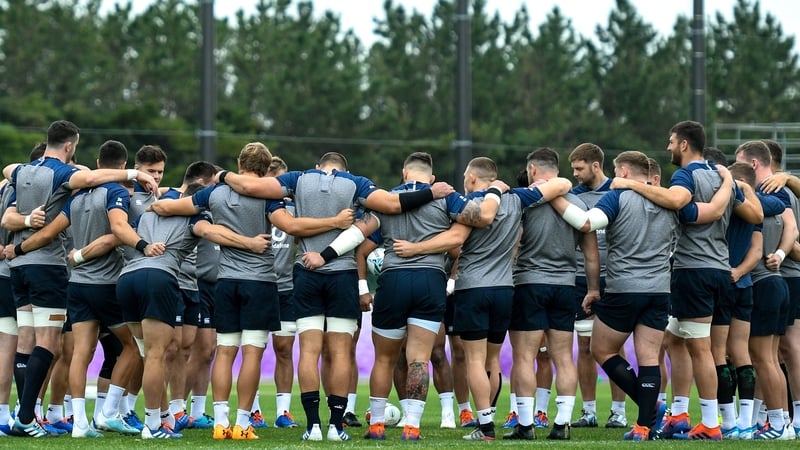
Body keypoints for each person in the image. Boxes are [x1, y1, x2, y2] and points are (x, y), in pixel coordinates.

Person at [217, 151, 455, 441]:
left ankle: (313, 427)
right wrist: (432, 191)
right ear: (345, 169)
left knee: (309, 352)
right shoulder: (356, 183)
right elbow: (393, 204)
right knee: (343, 352)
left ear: (318, 167)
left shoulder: (298, 179)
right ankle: (337, 427)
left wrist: (222, 176)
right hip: (342, 274)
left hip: (305, 271)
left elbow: (250, 187)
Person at [150, 144, 355, 440]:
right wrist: (334, 222)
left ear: (239, 162)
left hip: (225, 282)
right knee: (252, 355)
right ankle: (243, 423)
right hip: (259, 282)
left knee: (224, 352)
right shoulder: (268, 196)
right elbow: (294, 226)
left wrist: (156, 200)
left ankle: (221, 423)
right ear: (266, 169)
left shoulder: (214, 194)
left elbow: (167, 207)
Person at [0, 120, 157, 438]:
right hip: (48, 267)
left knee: (27, 342)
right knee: (49, 343)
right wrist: (132, 175)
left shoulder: (22, 172)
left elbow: (9, 172)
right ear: (70, 146)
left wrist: (20, 236)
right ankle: (28, 418)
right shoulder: (63, 174)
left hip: (19, 269)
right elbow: (91, 179)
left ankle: (27, 415)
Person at [611, 120, 762, 440]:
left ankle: (711, 424)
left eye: (670, 141)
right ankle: (679, 414)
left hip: (693, 271)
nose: (667, 147)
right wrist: (730, 187)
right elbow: (755, 215)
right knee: (674, 341)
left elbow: (678, 202)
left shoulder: (686, 175)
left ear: (683, 144)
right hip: (720, 271)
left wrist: (631, 185)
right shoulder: (722, 176)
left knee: (700, 349)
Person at [553, 150, 680, 440]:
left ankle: (650, 411)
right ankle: (645, 426)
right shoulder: (670, 201)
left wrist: (555, 198)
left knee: (601, 349)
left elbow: (586, 223)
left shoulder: (616, 196)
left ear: (622, 172)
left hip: (624, 288)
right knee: (649, 357)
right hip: (659, 288)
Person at [509, 148, 600, 441]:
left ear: (533, 170)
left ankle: (525, 426)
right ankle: (562, 424)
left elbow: (512, 246)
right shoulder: (578, 204)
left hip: (529, 283)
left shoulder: (526, 203)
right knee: (563, 357)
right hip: (564, 286)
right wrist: (594, 288)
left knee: (524, 357)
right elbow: (591, 256)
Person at [734, 141, 796, 439]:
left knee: (764, 359)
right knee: (770, 358)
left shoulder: (756, 202)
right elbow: (791, 227)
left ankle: (780, 424)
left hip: (765, 282)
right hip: (780, 280)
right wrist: (782, 255)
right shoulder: (779, 199)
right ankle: (775, 421)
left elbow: (757, 247)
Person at [567, 143, 628, 429]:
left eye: (579, 168)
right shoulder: (573, 196)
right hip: (581, 278)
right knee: (585, 345)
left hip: (615, 277)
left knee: (616, 346)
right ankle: (589, 411)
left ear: (595, 165)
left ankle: (619, 411)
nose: (575, 175)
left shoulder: (619, 193)